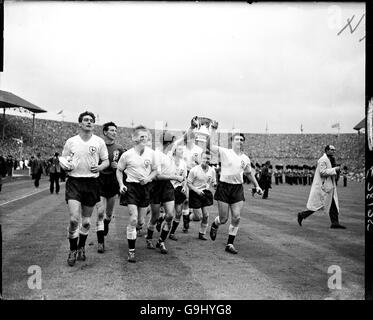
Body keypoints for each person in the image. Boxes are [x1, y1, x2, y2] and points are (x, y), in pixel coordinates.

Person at [61, 111, 109, 267]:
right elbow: (64, 160)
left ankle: (82, 247)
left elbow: (106, 161)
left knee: (87, 222)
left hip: (91, 183)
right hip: (74, 182)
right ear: (80, 123)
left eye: (91, 120)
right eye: (86, 120)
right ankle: (72, 250)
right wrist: (66, 166)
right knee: (74, 219)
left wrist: (100, 166)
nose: (89, 122)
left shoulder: (99, 142)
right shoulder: (71, 142)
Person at [208, 127, 263, 254]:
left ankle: (230, 244)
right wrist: (213, 130)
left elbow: (249, 173)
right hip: (224, 187)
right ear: (232, 141)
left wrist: (257, 186)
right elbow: (208, 145)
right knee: (223, 219)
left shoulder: (245, 158)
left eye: (242, 139)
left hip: (237, 188)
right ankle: (215, 224)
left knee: (237, 217)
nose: (240, 141)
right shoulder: (225, 152)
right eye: (237, 139)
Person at [116, 125, 158, 263]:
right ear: (134, 139)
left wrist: (149, 178)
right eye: (141, 136)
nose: (144, 138)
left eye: (146, 136)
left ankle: (136, 228)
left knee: (140, 222)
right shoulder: (127, 155)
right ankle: (131, 251)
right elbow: (119, 170)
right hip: (131, 188)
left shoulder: (151, 154)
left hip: (145, 188)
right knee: (133, 219)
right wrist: (121, 185)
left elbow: (155, 170)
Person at [146, 131, 182, 255]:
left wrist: (192, 127)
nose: (175, 145)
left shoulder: (170, 154)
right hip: (156, 186)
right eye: (173, 142)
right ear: (169, 142)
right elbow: (157, 176)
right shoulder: (157, 154)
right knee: (155, 217)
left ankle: (161, 241)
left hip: (168, 187)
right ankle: (149, 237)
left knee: (170, 215)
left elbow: (183, 139)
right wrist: (175, 177)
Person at [297, 145, 346, 229]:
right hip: (323, 187)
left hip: (329, 186)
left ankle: (335, 223)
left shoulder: (331, 159)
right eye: (332, 150)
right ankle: (301, 215)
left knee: (332, 204)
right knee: (317, 204)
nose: (334, 151)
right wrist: (335, 169)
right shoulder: (322, 160)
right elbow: (322, 172)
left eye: (334, 150)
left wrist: (337, 170)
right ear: (327, 150)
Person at [95, 122, 125, 253]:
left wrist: (117, 167)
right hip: (99, 182)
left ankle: (106, 223)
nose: (114, 132)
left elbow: (125, 166)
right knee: (100, 212)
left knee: (108, 214)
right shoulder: (97, 146)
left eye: (115, 130)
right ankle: (100, 242)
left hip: (113, 184)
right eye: (112, 130)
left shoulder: (120, 148)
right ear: (105, 132)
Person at [185, 151, 216, 240]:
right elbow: (189, 183)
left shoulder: (212, 170)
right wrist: (197, 191)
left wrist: (215, 185)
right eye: (205, 158)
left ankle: (202, 233)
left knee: (206, 215)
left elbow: (213, 182)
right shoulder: (194, 170)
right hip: (195, 193)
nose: (206, 160)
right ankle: (188, 217)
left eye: (208, 158)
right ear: (201, 159)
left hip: (205, 193)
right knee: (198, 217)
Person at [168, 144, 188, 241]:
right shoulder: (169, 160)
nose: (182, 151)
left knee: (179, 212)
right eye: (180, 149)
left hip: (178, 189)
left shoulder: (183, 163)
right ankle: (160, 221)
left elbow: (184, 178)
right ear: (175, 151)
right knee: (169, 213)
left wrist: (184, 186)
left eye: (182, 150)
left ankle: (172, 233)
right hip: (169, 189)